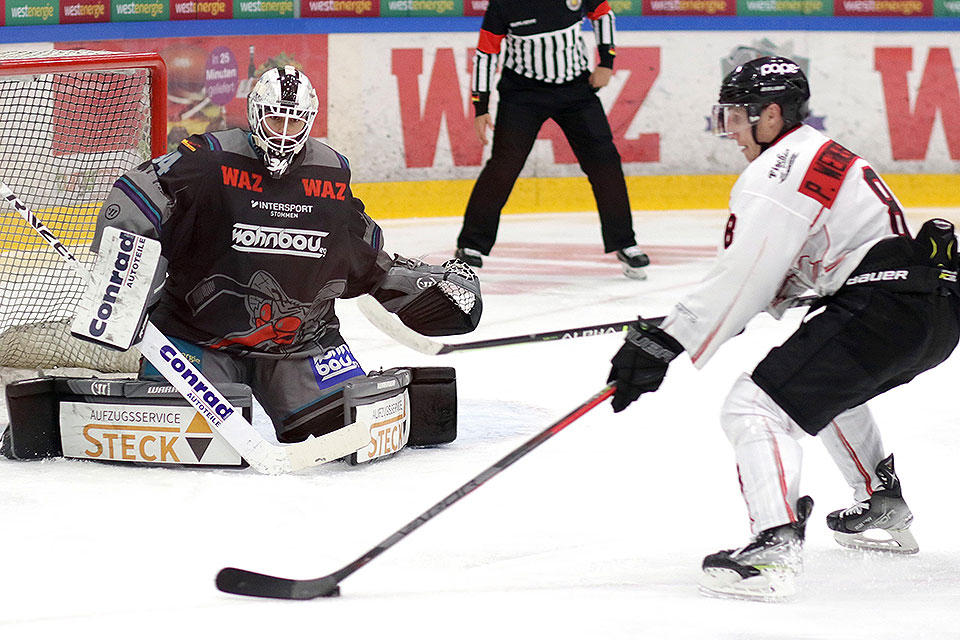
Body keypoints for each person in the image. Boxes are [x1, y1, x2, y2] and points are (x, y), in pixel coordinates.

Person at [605, 56, 960, 601]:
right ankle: (880, 499)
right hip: (929, 313)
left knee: (752, 408)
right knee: (829, 387)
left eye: (736, 118)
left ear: (770, 115)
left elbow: (746, 275)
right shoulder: (822, 155)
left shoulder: (776, 171)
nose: (732, 133)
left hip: (882, 310)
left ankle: (772, 547)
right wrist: (690, 321)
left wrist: (666, 339)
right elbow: (781, 280)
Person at [91, 66, 482, 444]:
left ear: (309, 121)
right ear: (254, 113)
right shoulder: (209, 159)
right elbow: (138, 193)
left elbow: (357, 247)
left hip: (299, 345)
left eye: (294, 123)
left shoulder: (329, 172)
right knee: (201, 438)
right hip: (197, 336)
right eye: (275, 119)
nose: (283, 133)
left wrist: (404, 283)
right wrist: (122, 274)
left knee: (357, 424)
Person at [454, 0, 650, 280]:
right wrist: (481, 106)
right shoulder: (503, 5)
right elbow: (486, 52)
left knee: (605, 162)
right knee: (504, 166)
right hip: (523, 93)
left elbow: (603, 14)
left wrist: (606, 61)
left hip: (575, 90)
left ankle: (625, 243)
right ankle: (471, 245)